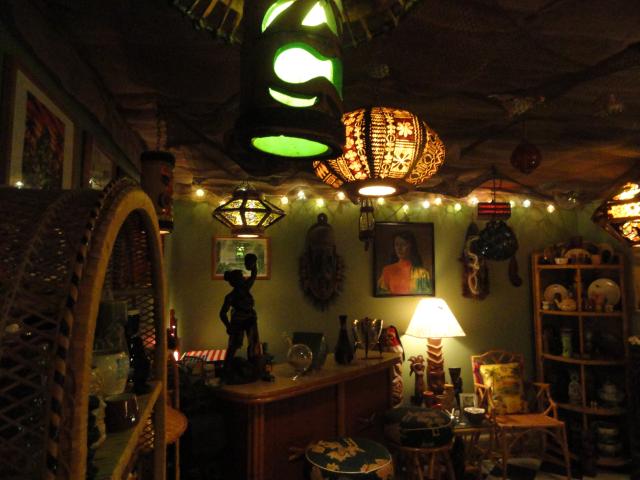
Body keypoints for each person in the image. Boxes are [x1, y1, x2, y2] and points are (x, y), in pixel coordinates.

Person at [219, 253, 262, 377]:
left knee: (253, 343)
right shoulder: (231, 296)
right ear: (236, 282)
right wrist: (228, 326)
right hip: (238, 321)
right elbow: (222, 313)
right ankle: (227, 368)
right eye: (242, 277)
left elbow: (254, 274)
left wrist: (253, 264)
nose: (244, 278)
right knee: (234, 344)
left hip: (250, 318)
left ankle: (254, 366)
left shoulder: (245, 288)